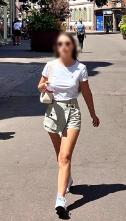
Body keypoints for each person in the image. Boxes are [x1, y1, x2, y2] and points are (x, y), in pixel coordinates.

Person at [37, 32, 100, 216]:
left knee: (65, 156)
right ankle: (68, 178)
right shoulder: (50, 66)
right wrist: (42, 86)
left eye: (67, 44)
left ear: (73, 47)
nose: (63, 47)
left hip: (73, 111)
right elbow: (40, 85)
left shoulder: (80, 68)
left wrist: (93, 114)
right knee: (60, 155)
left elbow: (87, 93)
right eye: (60, 44)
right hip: (54, 111)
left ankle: (60, 199)